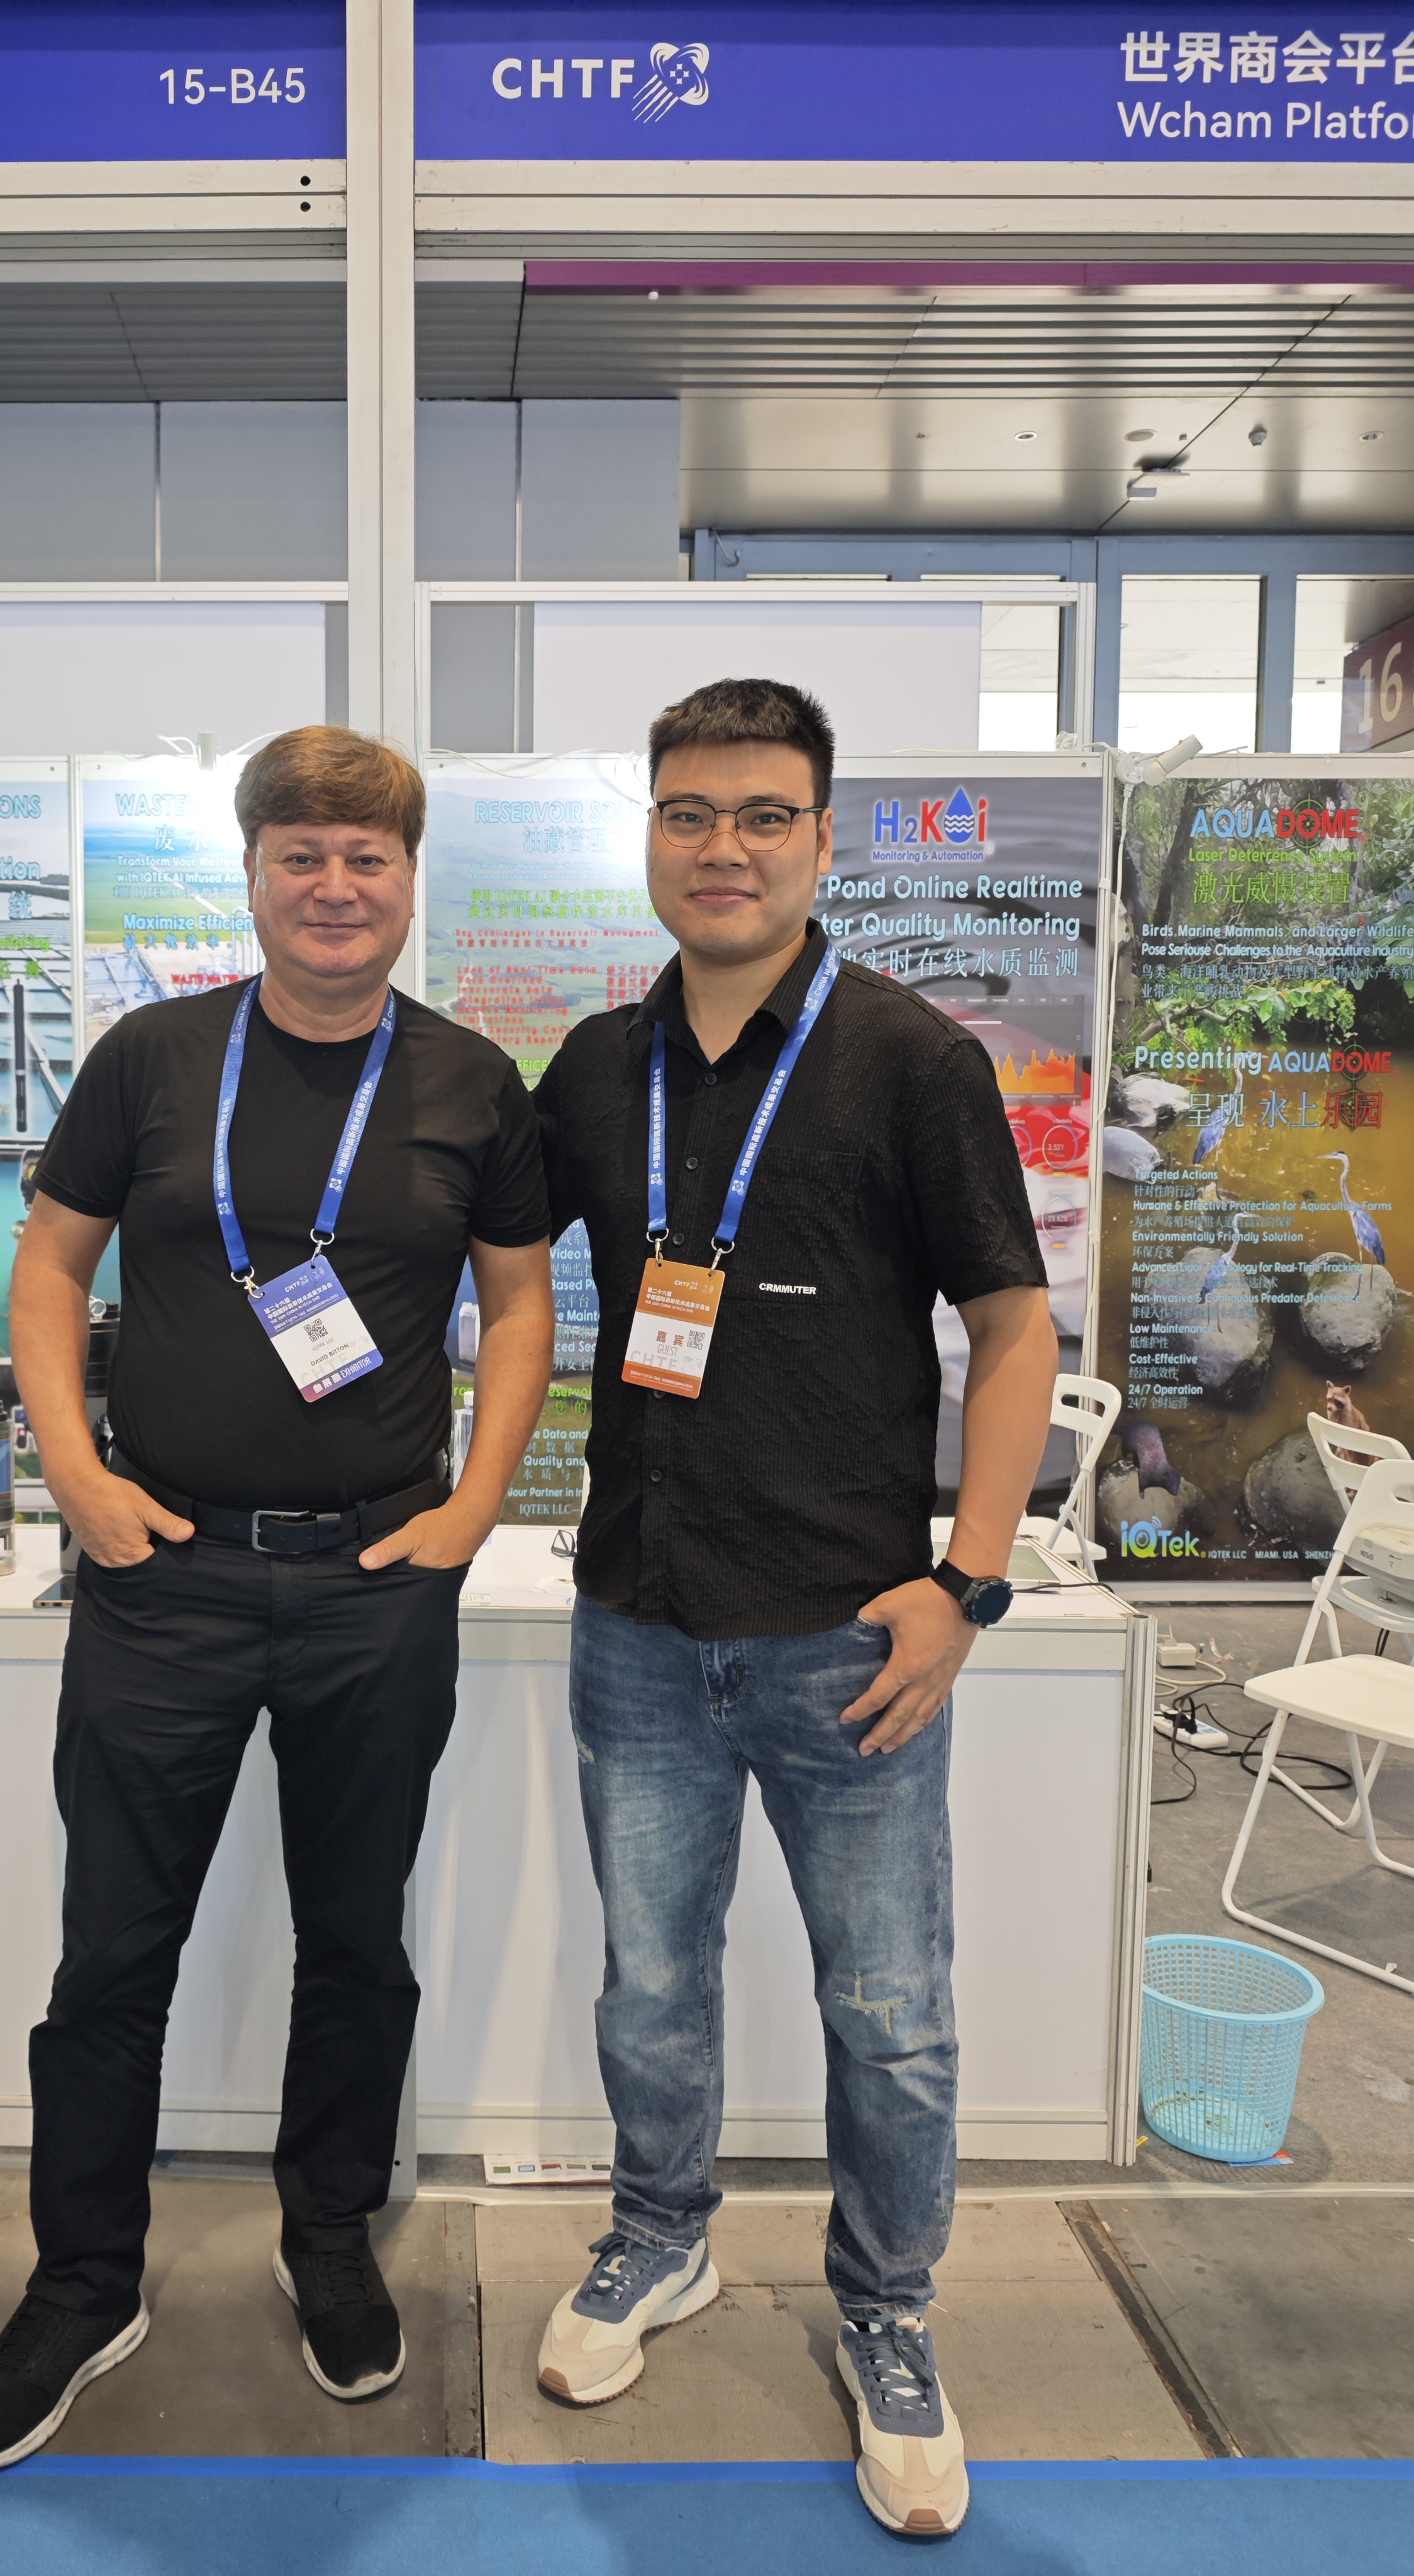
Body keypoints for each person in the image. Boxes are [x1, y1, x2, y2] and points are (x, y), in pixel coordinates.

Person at [0, 726, 554, 2470]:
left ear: (408, 880)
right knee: (112, 1950)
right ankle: (83, 2281)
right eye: (303, 855)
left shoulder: (470, 1084)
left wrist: (473, 1509)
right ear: (256, 872)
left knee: (355, 1939)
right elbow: (47, 1268)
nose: (336, 887)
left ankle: (326, 2233)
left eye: (368, 858)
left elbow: (519, 1305)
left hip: (376, 1579)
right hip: (166, 1573)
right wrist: (76, 1475)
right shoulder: (152, 1059)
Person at [530, 679, 1055, 2540]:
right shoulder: (597, 1071)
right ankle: (660, 2235)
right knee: (650, 1982)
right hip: (639, 1623)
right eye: (689, 812)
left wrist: (967, 1583)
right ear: (651, 835)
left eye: (764, 815)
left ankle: (890, 2314)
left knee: (890, 2012)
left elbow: (1015, 1333)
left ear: (823, 841)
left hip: (853, 1640)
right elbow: (492, 1266)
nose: (724, 847)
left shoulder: (911, 1061)